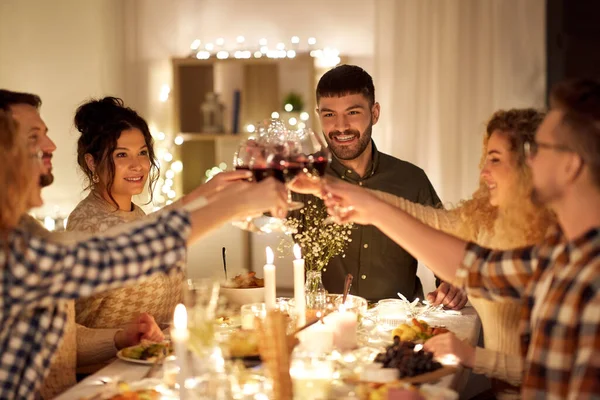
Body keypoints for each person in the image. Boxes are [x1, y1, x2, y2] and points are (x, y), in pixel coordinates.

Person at [320, 79, 600, 399]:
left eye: (539, 150)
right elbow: (473, 268)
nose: (529, 160)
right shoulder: (559, 255)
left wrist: (472, 358)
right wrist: (362, 203)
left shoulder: (592, 276)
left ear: (570, 165)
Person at [0, 90, 285, 398]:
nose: (51, 146)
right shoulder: (16, 251)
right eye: (32, 137)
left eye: (142, 153)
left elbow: (135, 235)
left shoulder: (25, 232)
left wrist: (210, 192)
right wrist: (234, 202)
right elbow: (120, 252)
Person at [300, 64, 466, 307]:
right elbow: (246, 206)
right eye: (329, 115)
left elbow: (448, 262)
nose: (341, 126)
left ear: (375, 113)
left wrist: (452, 286)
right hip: (322, 325)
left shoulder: (412, 179)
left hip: (401, 328)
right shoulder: (303, 181)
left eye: (353, 112)